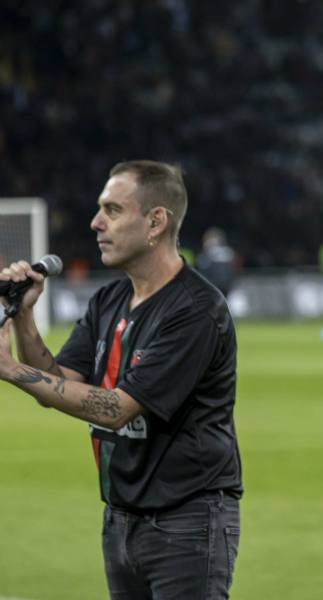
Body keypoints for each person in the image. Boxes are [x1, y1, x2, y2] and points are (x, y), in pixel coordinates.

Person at [0, 160, 242, 599]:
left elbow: (116, 409)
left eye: (112, 210)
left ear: (155, 222)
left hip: (185, 521)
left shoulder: (194, 310)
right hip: (120, 516)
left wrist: (9, 368)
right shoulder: (109, 299)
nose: (96, 223)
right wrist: (24, 316)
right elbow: (56, 383)